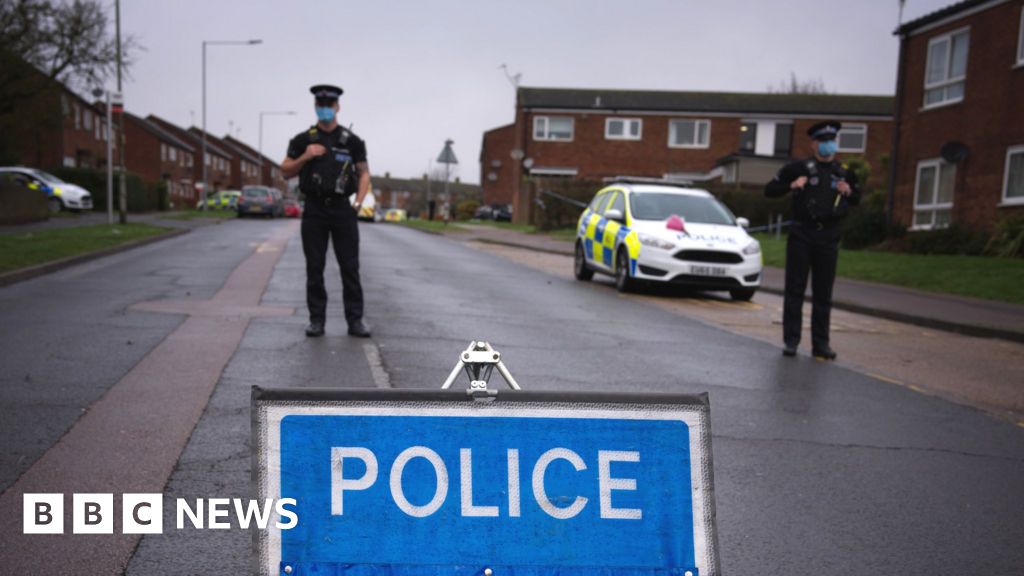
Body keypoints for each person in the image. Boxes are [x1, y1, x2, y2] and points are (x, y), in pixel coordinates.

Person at [281, 84, 371, 338]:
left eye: (329, 106)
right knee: (315, 267)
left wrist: (358, 204)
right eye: (320, 106)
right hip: (314, 210)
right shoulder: (303, 140)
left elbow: (364, 173)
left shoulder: (351, 141)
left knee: (350, 267)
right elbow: (285, 170)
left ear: (337, 107)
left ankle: (355, 321)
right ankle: (316, 320)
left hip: (343, 210)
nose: (325, 110)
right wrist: (305, 157)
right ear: (315, 107)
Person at [764, 120, 860, 360]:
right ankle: (791, 341)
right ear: (814, 144)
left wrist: (849, 191)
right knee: (795, 289)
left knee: (823, 293)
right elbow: (770, 189)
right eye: (823, 141)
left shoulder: (844, 171)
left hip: (828, 236)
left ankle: (821, 344)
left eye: (831, 141)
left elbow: (857, 198)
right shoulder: (799, 168)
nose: (828, 145)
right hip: (802, 235)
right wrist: (791, 185)